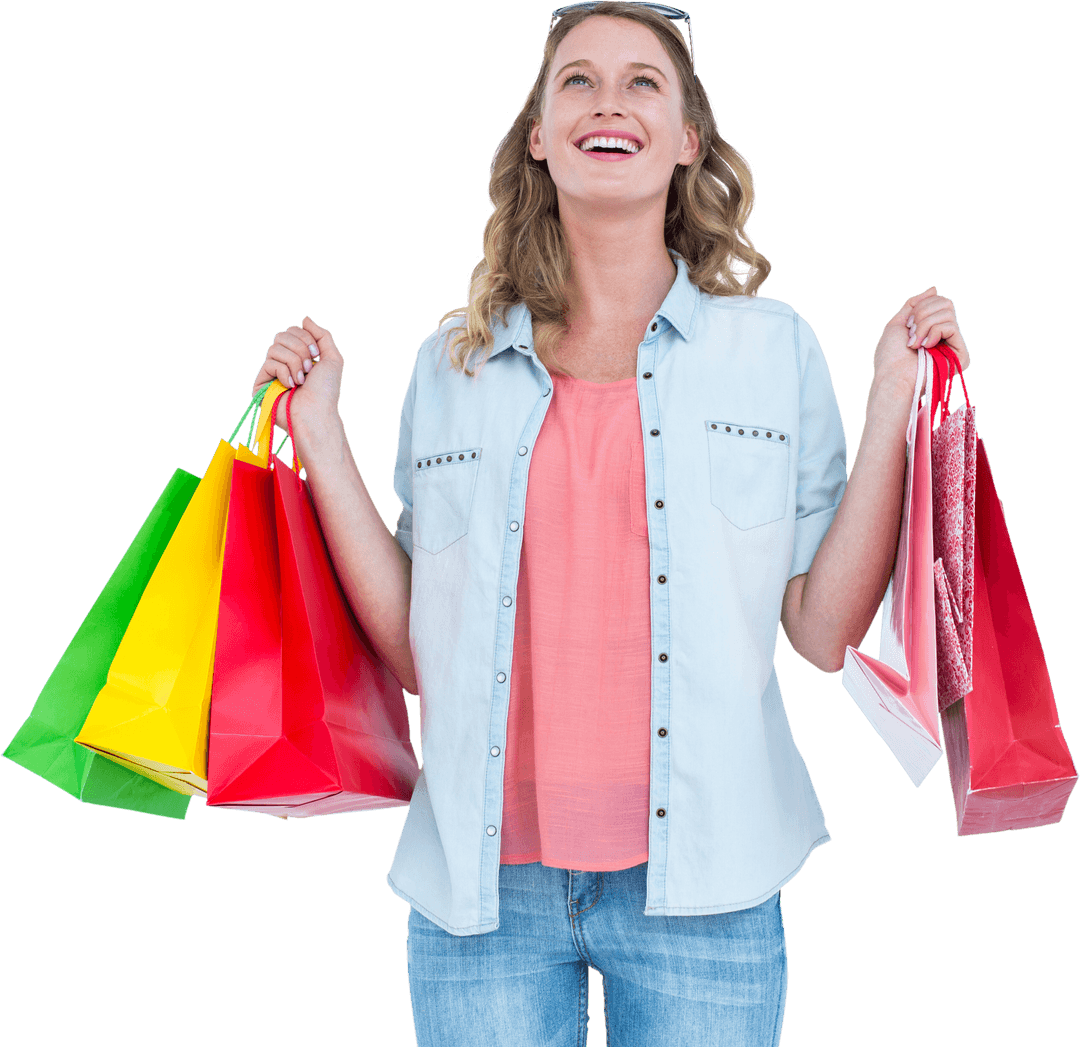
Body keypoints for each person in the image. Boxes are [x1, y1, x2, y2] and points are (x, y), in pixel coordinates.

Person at [249, 3, 970, 1043]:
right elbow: (420, 653)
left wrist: (891, 405)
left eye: (643, 82)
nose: (608, 102)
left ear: (687, 141)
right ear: (537, 135)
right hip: (481, 899)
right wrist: (318, 436)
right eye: (576, 81)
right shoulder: (450, 362)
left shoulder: (770, 352)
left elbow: (819, 634)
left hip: (708, 893)